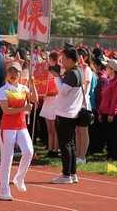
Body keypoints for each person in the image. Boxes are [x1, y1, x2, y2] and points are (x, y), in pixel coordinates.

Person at [0, 61, 38, 201]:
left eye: (16, 72)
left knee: (29, 151)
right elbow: (6, 110)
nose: (13, 74)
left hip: (21, 127)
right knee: (7, 159)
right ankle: (4, 190)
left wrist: (32, 84)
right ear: (7, 74)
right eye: (10, 72)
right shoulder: (3, 90)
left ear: (20, 74)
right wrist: (24, 109)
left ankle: (19, 178)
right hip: (7, 128)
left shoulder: (23, 88)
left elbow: (35, 99)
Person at [51, 47, 84, 184]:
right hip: (71, 112)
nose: (62, 61)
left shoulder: (72, 74)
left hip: (65, 113)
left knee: (65, 145)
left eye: (63, 59)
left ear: (70, 60)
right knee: (70, 144)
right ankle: (72, 173)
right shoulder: (77, 72)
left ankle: (66, 175)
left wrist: (57, 77)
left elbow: (63, 91)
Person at [98, 59, 117, 160]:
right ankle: (109, 153)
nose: (106, 69)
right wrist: (100, 112)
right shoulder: (109, 81)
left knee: (114, 135)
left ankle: (115, 154)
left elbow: (115, 100)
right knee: (108, 134)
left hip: (111, 113)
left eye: (108, 67)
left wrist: (112, 113)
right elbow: (104, 98)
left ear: (113, 69)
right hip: (105, 111)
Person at [40, 52, 60, 158]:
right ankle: (50, 148)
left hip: (55, 101)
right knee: (49, 129)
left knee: (55, 128)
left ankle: (55, 149)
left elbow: (59, 88)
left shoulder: (58, 71)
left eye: (50, 59)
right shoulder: (46, 71)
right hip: (47, 101)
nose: (48, 61)